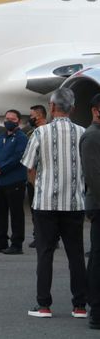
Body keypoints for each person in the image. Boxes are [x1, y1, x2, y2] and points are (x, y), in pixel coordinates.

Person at [22, 88, 87, 318]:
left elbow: (29, 167)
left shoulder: (40, 133)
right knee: (76, 255)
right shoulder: (83, 133)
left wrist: (39, 184)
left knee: (45, 254)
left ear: (51, 107)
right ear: (73, 108)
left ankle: (44, 305)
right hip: (74, 203)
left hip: (45, 203)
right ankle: (80, 305)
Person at [0, 109, 28, 255]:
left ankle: (17, 243)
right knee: (0, 213)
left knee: (16, 214)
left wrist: (1, 168)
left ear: (18, 121)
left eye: (12, 119)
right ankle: (1, 241)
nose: (9, 121)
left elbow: (17, 157)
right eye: (7, 118)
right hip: (0, 182)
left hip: (15, 181)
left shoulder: (21, 138)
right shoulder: (0, 137)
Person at [81, 94, 100, 329]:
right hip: (98, 205)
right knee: (98, 258)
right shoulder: (92, 137)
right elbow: (94, 177)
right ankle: (96, 310)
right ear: (96, 110)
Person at [26, 104, 48, 249]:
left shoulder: (44, 132)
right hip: (31, 178)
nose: (30, 118)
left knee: (43, 212)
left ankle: (46, 237)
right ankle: (38, 235)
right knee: (35, 211)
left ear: (39, 116)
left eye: (32, 115)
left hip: (41, 178)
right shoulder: (31, 133)